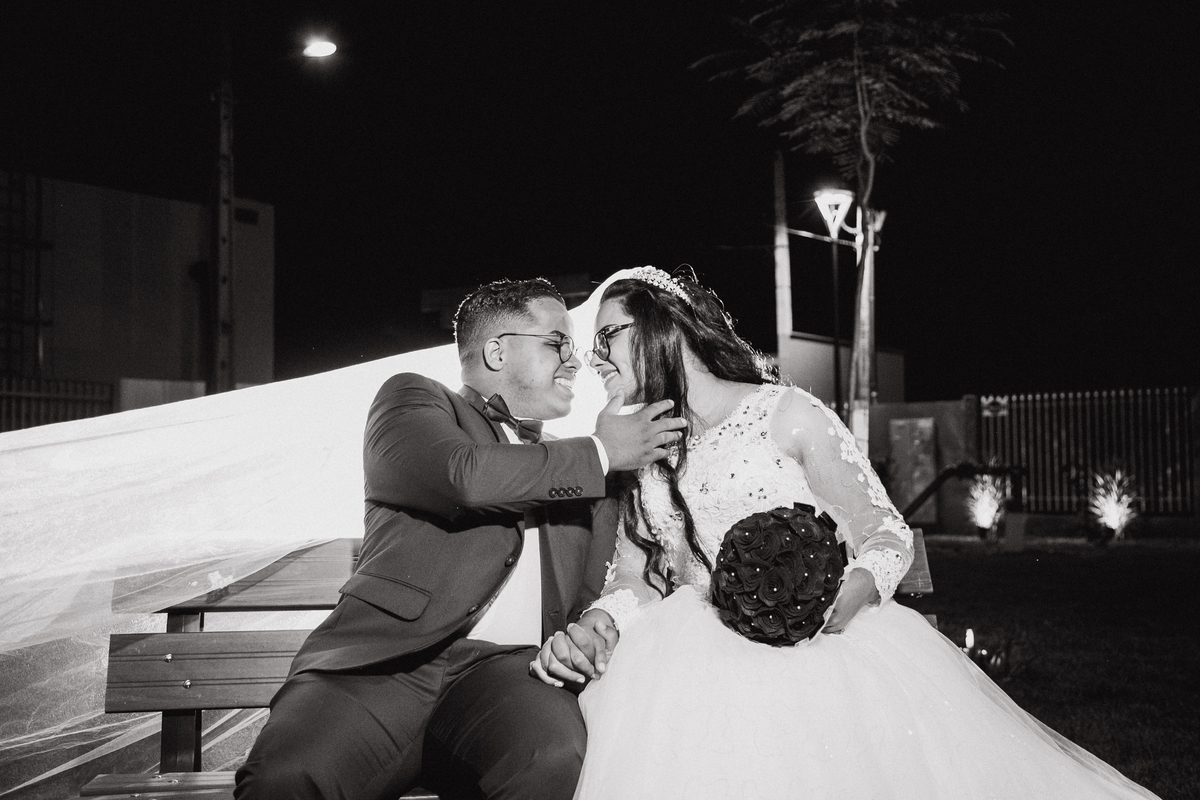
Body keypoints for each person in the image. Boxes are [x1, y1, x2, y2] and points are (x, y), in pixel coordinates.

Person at [532, 267, 1161, 800]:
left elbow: (887, 533)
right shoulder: (643, 449)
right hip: (690, 653)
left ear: (664, 326)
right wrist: (604, 617)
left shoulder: (787, 414)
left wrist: (842, 595)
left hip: (819, 643)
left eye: (608, 336)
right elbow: (636, 576)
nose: (595, 358)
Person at [235, 277, 687, 800]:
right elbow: (463, 477)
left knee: (554, 758)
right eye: (557, 343)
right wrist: (601, 452)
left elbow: (604, 584)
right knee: (285, 779)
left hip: (509, 675)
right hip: (381, 669)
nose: (575, 362)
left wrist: (590, 629)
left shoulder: (581, 468)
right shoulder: (413, 402)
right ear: (497, 351)